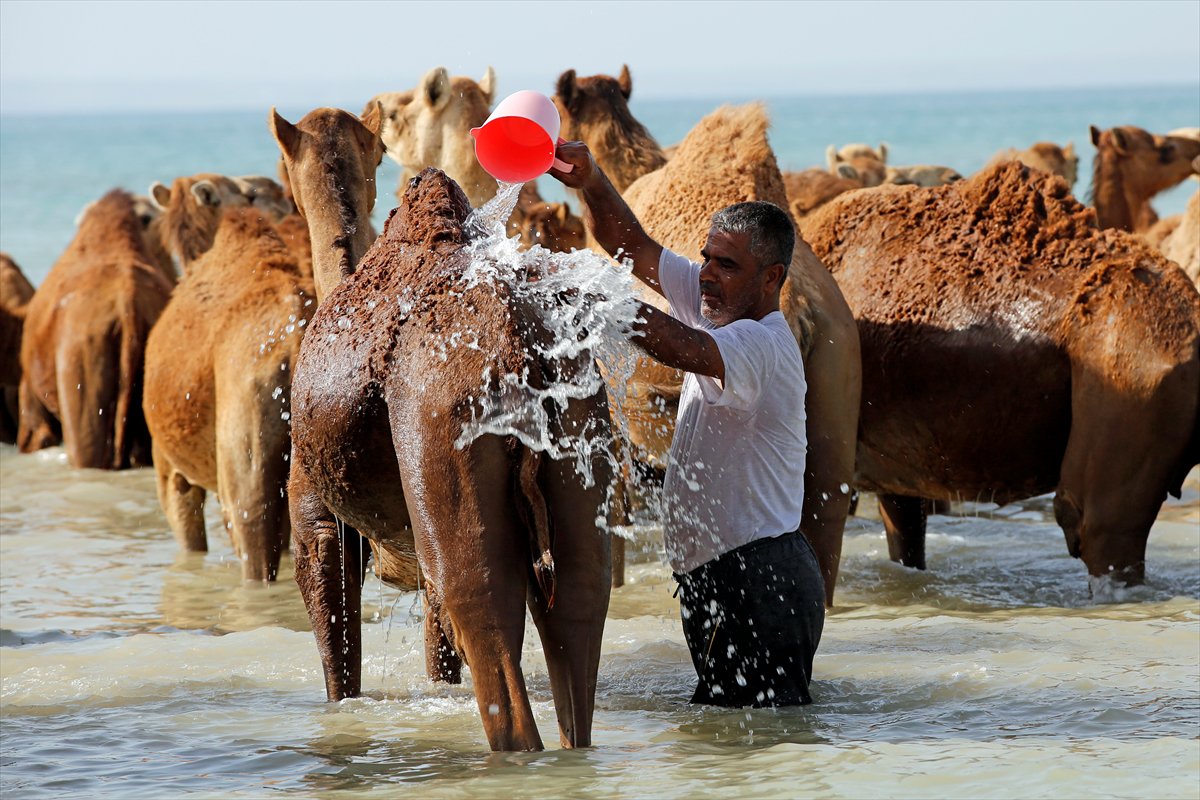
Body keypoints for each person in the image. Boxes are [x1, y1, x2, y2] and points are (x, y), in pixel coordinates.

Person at [550, 142, 825, 707]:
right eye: (707, 259)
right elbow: (632, 246)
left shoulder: (761, 342)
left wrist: (596, 298)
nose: (707, 276)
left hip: (761, 580)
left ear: (771, 278)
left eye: (727, 266)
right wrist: (592, 180)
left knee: (767, 752)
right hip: (719, 579)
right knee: (731, 749)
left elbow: (684, 348)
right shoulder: (716, 304)